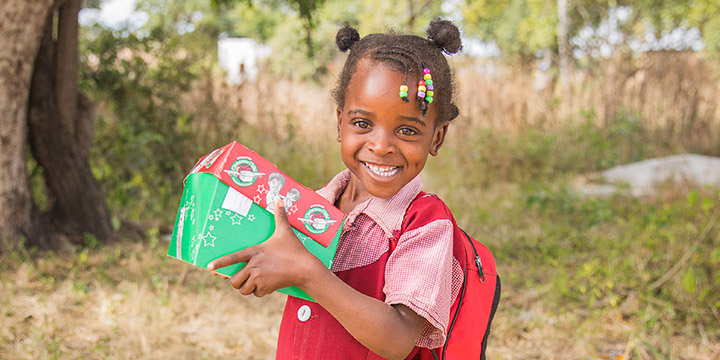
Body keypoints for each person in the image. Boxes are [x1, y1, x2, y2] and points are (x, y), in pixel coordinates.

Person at [208, 19, 464, 360]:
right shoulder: (311, 206)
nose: (382, 145)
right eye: (362, 124)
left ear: (437, 136)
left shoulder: (424, 223)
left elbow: (398, 338)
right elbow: (287, 269)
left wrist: (306, 271)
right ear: (339, 122)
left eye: (407, 130)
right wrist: (260, 269)